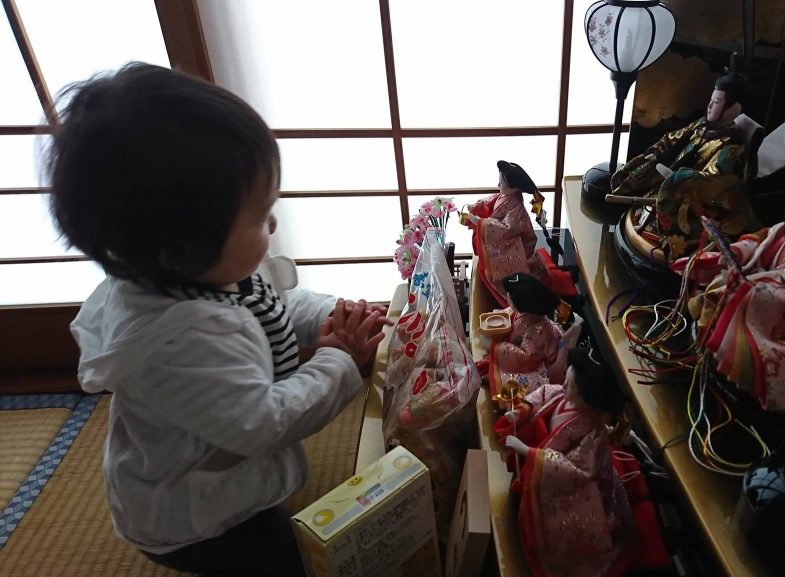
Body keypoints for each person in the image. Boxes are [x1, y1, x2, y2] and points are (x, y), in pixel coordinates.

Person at [49, 63, 388, 576]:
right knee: (297, 560)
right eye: (258, 215)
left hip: (220, 463)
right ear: (180, 246)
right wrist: (337, 359)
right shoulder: (178, 340)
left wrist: (332, 314)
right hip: (194, 517)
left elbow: (274, 304)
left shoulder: (204, 270)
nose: (272, 221)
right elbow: (265, 423)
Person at [494, 347, 633, 577]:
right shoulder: (562, 394)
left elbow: (578, 471)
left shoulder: (593, 433)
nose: (564, 386)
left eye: (572, 387)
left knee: (559, 527)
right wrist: (520, 410)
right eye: (567, 379)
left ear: (589, 399)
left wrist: (529, 452)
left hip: (575, 488)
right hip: (547, 450)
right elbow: (543, 393)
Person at [610, 66, 756, 265]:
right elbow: (674, 137)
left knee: (674, 220)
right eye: (711, 100)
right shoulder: (702, 125)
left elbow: (714, 178)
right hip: (669, 185)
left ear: (734, 109)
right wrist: (658, 152)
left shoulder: (731, 147)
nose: (709, 106)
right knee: (646, 196)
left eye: (716, 102)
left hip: (696, 200)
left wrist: (680, 179)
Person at [462, 160, 575, 307]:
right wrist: (474, 208)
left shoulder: (516, 207)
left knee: (496, 276)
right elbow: (488, 203)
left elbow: (506, 230)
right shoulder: (503, 196)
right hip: (506, 242)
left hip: (518, 247)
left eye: (501, 183)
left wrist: (480, 222)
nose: (498, 185)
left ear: (514, 187)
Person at [486, 273, 581, 398]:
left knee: (514, 385)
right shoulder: (527, 314)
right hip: (534, 353)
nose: (507, 299)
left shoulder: (537, 330)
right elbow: (508, 313)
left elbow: (527, 359)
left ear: (522, 304)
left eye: (510, 297)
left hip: (542, 367)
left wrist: (497, 347)